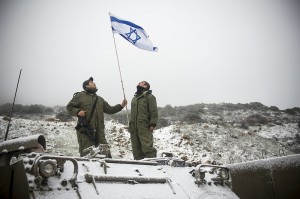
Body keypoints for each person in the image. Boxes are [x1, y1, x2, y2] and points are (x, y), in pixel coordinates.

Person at [67, 77, 127, 157]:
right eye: (91, 82)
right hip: (85, 131)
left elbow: (110, 110)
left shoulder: (100, 99)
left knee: (105, 153)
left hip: (100, 132)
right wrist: (78, 112)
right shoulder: (80, 96)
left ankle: (107, 168)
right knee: (87, 154)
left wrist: (121, 105)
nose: (94, 83)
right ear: (86, 86)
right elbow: (69, 107)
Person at [128, 81, 158, 160]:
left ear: (145, 86)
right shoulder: (134, 98)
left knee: (147, 147)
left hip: (144, 127)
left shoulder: (150, 97)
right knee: (136, 149)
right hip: (134, 128)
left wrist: (153, 124)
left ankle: (152, 165)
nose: (138, 83)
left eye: (141, 83)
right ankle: (139, 166)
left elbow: (154, 112)